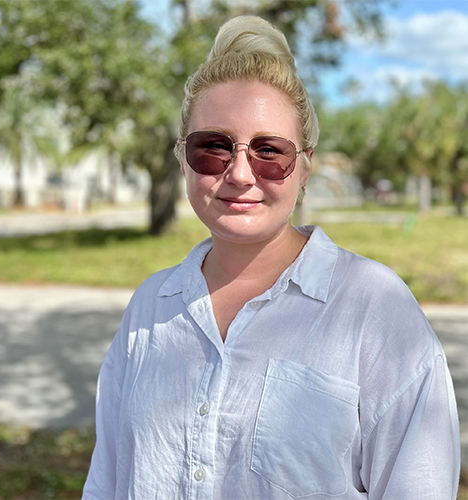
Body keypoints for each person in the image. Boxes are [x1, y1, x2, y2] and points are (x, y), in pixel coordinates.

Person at [82, 16, 460, 500]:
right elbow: (108, 482)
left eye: (270, 151)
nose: (240, 174)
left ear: (304, 168)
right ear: (183, 159)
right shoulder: (150, 306)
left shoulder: (375, 309)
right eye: (213, 147)